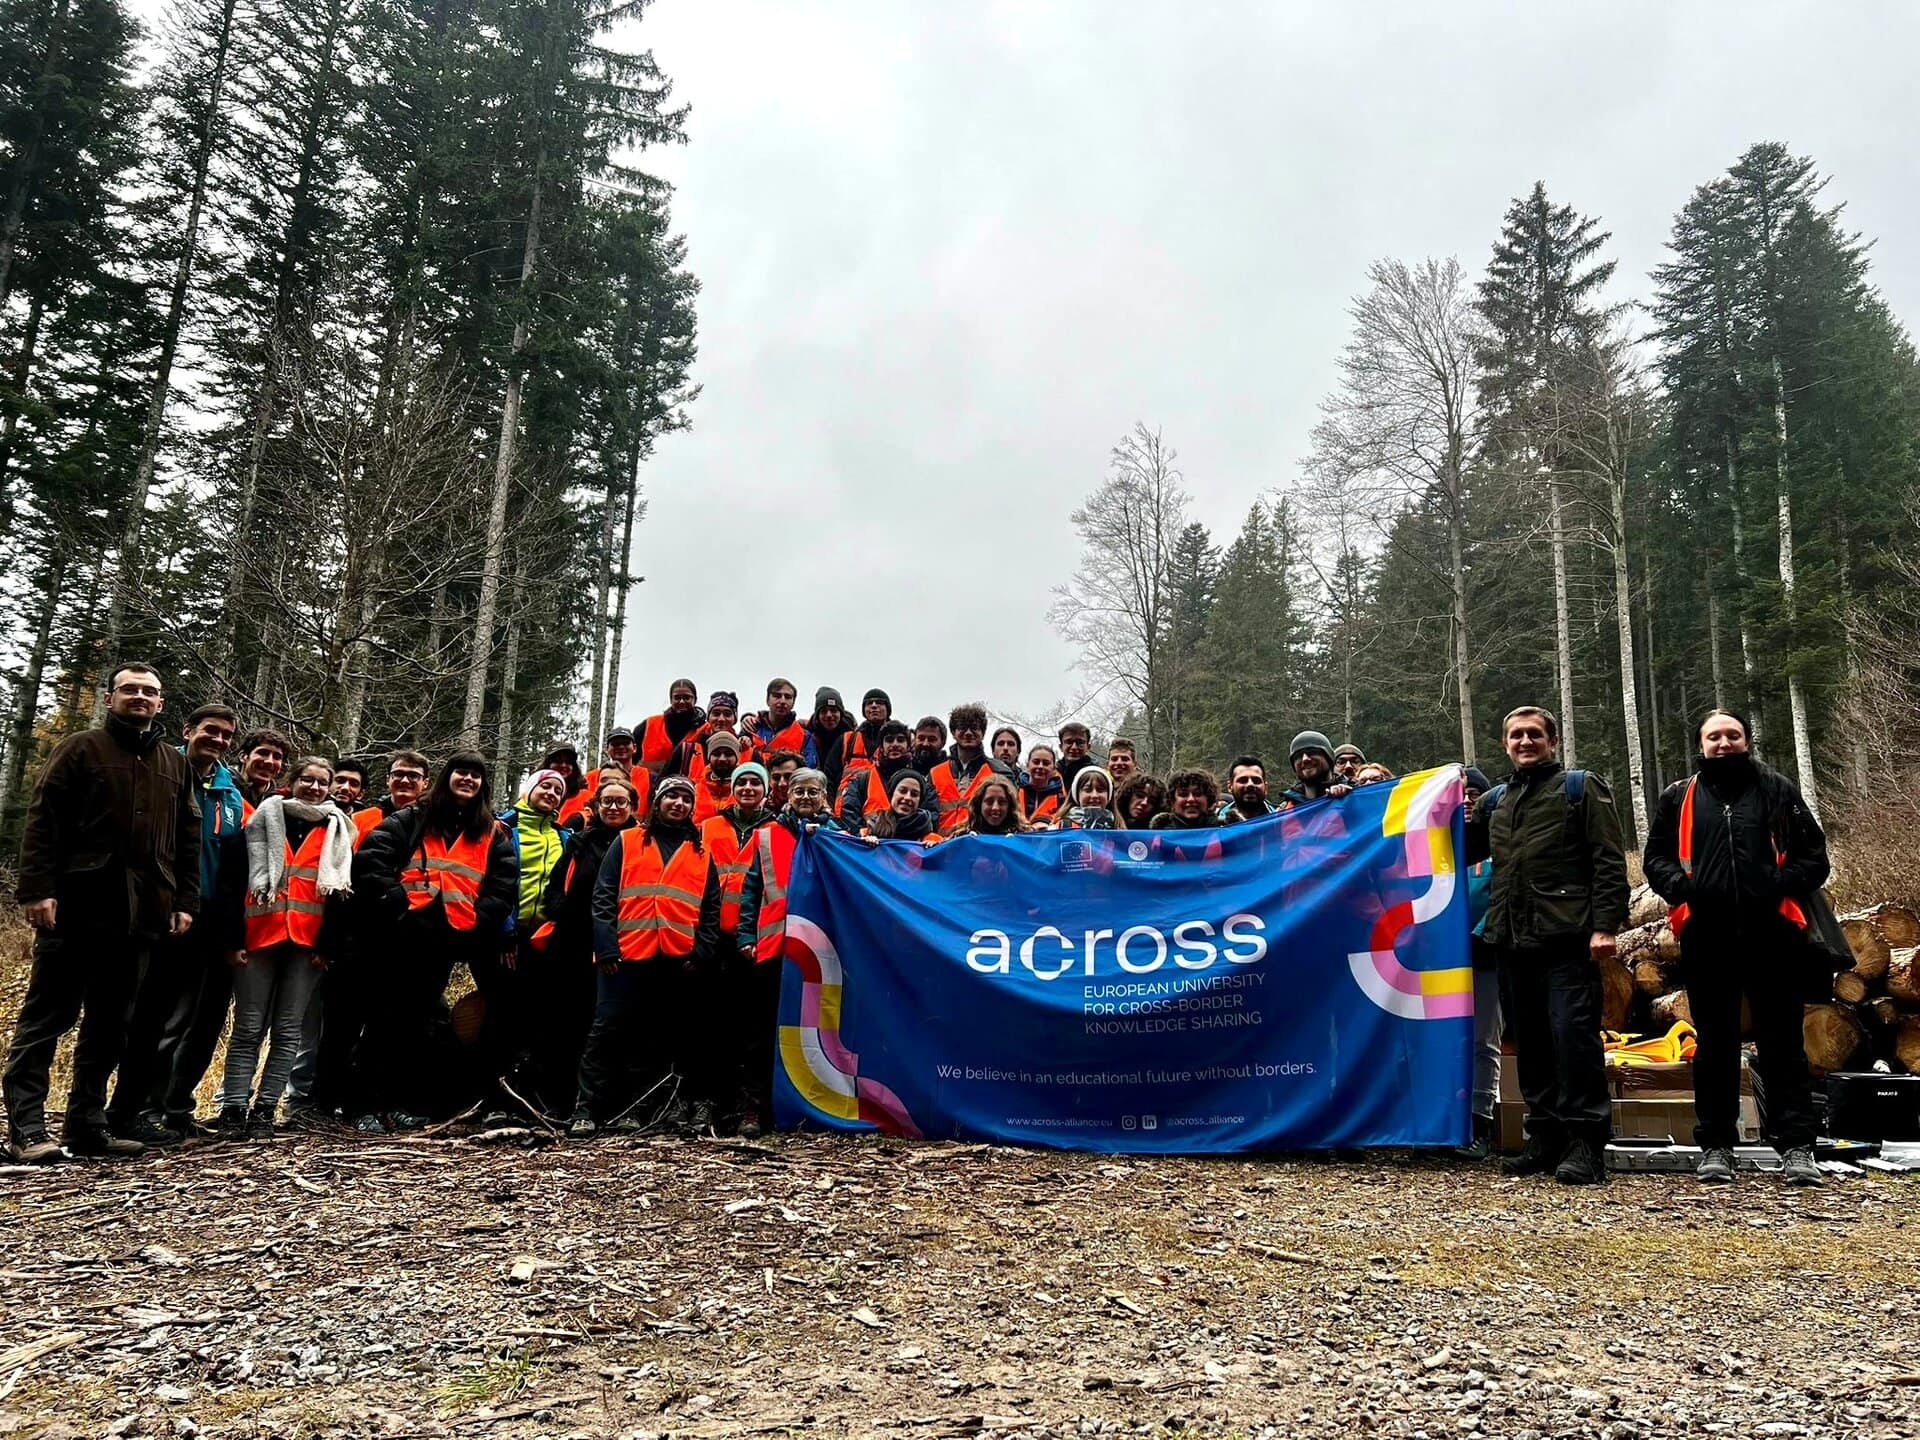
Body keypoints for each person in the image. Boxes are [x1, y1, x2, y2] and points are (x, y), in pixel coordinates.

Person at [6, 661, 201, 1163]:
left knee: (110, 1023)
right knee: (48, 1017)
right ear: (110, 696)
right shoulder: (80, 748)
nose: (140, 697)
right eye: (130, 689)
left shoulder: (174, 764)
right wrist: (36, 890)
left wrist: (184, 901)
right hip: (75, 906)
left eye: (150, 691)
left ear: (160, 703)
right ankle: (27, 1128)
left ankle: (86, 1126)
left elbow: (187, 840)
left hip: (142, 914)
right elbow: (43, 820)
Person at [1642, 709, 1830, 1187]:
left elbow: (1814, 858)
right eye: (1714, 736)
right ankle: (1717, 1146)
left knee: (1783, 1042)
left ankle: (1796, 1148)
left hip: (1774, 933)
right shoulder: (1679, 796)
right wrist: (1683, 889)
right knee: (1715, 1044)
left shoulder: (1777, 789)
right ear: (1701, 744)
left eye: (1733, 735)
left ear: (1747, 739)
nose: (1723, 743)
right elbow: (1656, 858)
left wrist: (1775, 883)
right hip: (1708, 934)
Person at [1466, 705, 1628, 1186]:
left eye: (1534, 734)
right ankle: (1545, 1137)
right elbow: (1453, 845)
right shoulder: (1496, 801)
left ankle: (1586, 1145)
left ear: (1552, 741)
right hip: (1511, 941)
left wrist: (1606, 926)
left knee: (1573, 1043)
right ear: (1505, 744)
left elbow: (1608, 859)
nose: (1524, 742)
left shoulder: (1580, 788)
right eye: (1515, 735)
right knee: (1532, 1045)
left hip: (1567, 941)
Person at [351, 752, 517, 1131]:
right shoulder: (413, 817)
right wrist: (398, 904)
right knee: (384, 1018)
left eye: (476, 776)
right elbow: (373, 860)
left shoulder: (491, 832)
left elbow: (503, 885)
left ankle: (406, 1103)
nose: (468, 780)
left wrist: (477, 922)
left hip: (449, 936)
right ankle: (367, 1105)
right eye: (462, 772)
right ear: (448, 777)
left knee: (420, 1021)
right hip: (403, 933)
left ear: (483, 786)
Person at [104, 703, 243, 1147]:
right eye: (210, 731)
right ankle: (130, 1108)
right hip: (160, 912)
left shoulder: (231, 793)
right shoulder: (164, 773)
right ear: (188, 730)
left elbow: (230, 862)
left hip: (208, 917)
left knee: (192, 1020)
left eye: (225, 735)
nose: (217, 740)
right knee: (148, 1016)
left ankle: (166, 1108)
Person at [572, 777, 722, 1136]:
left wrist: (699, 953)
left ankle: (641, 1110)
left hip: (675, 958)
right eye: (671, 795)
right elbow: (603, 896)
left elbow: (711, 909)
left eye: (686, 798)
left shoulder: (701, 852)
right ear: (657, 801)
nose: (678, 803)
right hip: (624, 956)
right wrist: (606, 947)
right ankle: (586, 1110)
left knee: (657, 1037)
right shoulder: (627, 841)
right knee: (606, 1032)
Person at [215, 756, 354, 1139]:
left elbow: (342, 894)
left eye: (321, 782)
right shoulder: (260, 820)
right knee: (247, 1028)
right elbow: (231, 883)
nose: (314, 787)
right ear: (291, 782)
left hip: (308, 945)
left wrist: (328, 945)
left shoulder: (339, 829)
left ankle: (265, 1108)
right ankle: (233, 1108)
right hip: (258, 938)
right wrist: (231, 940)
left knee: (289, 1030)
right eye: (306, 779)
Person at [294, 750, 433, 1129]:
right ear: (388, 779)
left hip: (405, 942)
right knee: (341, 1024)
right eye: (398, 775)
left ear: (425, 782)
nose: (405, 782)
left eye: (413, 776)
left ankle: (382, 1102)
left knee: (391, 1026)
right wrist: (332, 940)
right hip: (357, 936)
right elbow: (338, 879)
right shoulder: (361, 820)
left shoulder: (431, 825)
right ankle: (323, 1104)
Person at [731, 768, 844, 1136]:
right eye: (798, 791)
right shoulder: (766, 836)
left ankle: (808, 1106)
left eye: (813, 790)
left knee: (815, 1030)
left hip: (820, 954)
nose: (806, 797)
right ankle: (753, 1109)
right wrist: (746, 936)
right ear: (786, 795)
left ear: (825, 796)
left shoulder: (840, 838)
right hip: (772, 948)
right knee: (759, 1032)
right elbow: (749, 891)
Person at [539, 774, 640, 1117]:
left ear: (633, 807)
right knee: (568, 1020)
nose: (613, 807)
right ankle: (563, 1101)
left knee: (613, 1024)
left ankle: (611, 1103)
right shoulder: (579, 842)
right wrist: (562, 915)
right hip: (574, 943)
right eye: (607, 801)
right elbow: (554, 888)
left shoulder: (641, 842)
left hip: (621, 944)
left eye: (621, 802)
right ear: (596, 806)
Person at [473, 767, 570, 1120]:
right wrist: (505, 931)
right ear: (529, 789)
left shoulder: (564, 837)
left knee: (535, 1019)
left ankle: (525, 1100)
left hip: (542, 942)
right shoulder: (501, 828)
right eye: (545, 786)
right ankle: (490, 1100)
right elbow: (494, 882)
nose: (551, 793)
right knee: (499, 1016)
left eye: (558, 790)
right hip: (503, 937)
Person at [696, 763, 779, 1131]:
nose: (747, 787)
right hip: (713, 937)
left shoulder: (776, 830)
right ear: (732, 788)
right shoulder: (710, 825)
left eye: (754, 782)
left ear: (764, 790)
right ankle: (708, 1102)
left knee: (754, 1026)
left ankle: (751, 1106)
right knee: (711, 1024)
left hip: (755, 940)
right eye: (741, 782)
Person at [1456, 766, 1500, 1161]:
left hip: (1486, 956)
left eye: (1475, 793)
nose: (1467, 799)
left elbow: (1504, 896)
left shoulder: (1499, 841)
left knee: (1482, 1041)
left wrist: (1480, 933)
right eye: (1459, 793)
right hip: (1439, 962)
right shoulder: (1436, 845)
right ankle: (1441, 1123)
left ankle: (1480, 1122)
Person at [929, 703, 1009, 835]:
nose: (968, 733)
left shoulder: (998, 771)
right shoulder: (935, 773)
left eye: (974, 728)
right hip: (942, 848)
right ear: (954, 733)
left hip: (981, 846)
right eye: (962, 728)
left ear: (983, 733)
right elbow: (929, 814)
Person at [836, 721, 934, 826]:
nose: (895, 744)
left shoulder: (920, 782)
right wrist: (861, 835)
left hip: (908, 841)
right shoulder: (863, 780)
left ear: (909, 746)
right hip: (871, 841)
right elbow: (849, 812)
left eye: (900, 740)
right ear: (881, 747)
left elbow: (931, 815)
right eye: (889, 740)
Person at [559, 726, 638, 827]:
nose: (611, 785)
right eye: (605, 780)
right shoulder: (580, 821)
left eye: (617, 780)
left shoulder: (638, 831)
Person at [637, 679, 707, 774]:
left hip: (690, 786)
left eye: (687, 697)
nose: (682, 701)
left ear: (695, 700)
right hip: (649, 785)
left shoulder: (705, 729)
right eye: (677, 698)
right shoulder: (649, 724)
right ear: (671, 700)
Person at [837, 688, 893, 798]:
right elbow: (830, 775)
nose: (874, 705)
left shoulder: (898, 742)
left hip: (881, 808)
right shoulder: (848, 740)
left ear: (888, 709)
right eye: (869, 703)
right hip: (846, 807)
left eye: (879, 702)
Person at [863, 770, 941, 845]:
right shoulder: (872, 828)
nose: (908, 798)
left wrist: (934, 849)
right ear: (892, 793)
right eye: (902, 791)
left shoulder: (931, 839)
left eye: (914, 794)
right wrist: (865, 845)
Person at [747, 678, 814, 764]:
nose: (782, 701)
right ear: (767, 700)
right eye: (777, 696)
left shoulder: (805, 736)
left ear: (793, 703)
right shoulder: (751, 726)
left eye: (788, 697)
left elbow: (810, 769)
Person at [1279, 731, 1353, 808]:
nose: (1305, 759)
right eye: (1298, 756)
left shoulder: (1354, 795)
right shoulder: (1286, 811)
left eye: (1312, 752)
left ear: (1329, 758)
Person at [806, 689, 856, 796]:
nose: (829, 715)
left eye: (834, 710)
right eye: (823, 711)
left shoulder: (852, 738)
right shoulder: (808, 736)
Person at [233, 729, 289, 811]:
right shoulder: (220, 788)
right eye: (263, 753)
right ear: (243, 756)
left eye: (277, 757)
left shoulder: (281, 801)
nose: (270, 761)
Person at [691, 730, 739, 820]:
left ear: (737, 758)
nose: (722, 759)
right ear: (709, 757)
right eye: (717, 754)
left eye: (728, 754)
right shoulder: (695, 789)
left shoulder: (746, 790)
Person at [1217, 756, 1279, 824]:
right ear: (1230, 786)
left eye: (1256, 781)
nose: (1250, 785)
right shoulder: (1214, 824)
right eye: (1243, 780)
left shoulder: (1281, 820)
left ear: (1266, 787)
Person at [962, 772, 1027, 836]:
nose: (995, 807)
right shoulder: (962, 837)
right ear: (979, 804)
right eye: (989, 802)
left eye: (1002, 802)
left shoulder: (1023, 836)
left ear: (1010, 805)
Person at [1152, 769, 1220, 829]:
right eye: (1183, 794)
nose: (1191, 799)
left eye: (1197, 794)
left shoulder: (1223, 830)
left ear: (1209, 799)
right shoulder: (1159, 835)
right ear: (1172, 801)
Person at [1020, 744, 1065, 825]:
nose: (1040, 766)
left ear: (1054, 768)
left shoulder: (1061, 797)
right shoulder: (1014, 790)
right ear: (1028, 765)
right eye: (1036, 762)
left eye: (1046, 763)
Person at [1060, 765, 1116, 829]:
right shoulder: (1059, 828)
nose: (1094, 795)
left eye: (1100, 790)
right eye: (1087, 790)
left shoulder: (1120, 830)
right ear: (1077, 795)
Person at [1056, 722, 1095, 795]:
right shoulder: (1053, 774)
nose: (1074, 747)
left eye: (1080, 742)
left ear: (1088, 747)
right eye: (1069, 742)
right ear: (1061, 747)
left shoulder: (1096, 775)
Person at [763, 748, 804, 815]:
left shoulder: (815, 812)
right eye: (776, 778)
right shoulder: (759, 810)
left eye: (788, 777)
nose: (782, 784)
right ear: (769, 781)